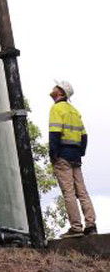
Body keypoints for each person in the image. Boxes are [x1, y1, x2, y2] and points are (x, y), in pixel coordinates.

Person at [49, 79, 97, 237]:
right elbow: (84, 136)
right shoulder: (75, 111)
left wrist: (53, 155)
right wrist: (80, 153)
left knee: (69, 192)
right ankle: (91, 225)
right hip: (75, 157)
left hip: (62, 156)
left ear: (61, 93)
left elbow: (55, 133)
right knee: (82, 192)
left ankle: (76, 227)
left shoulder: (57, 108)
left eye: (56, 87)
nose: (53, 88)